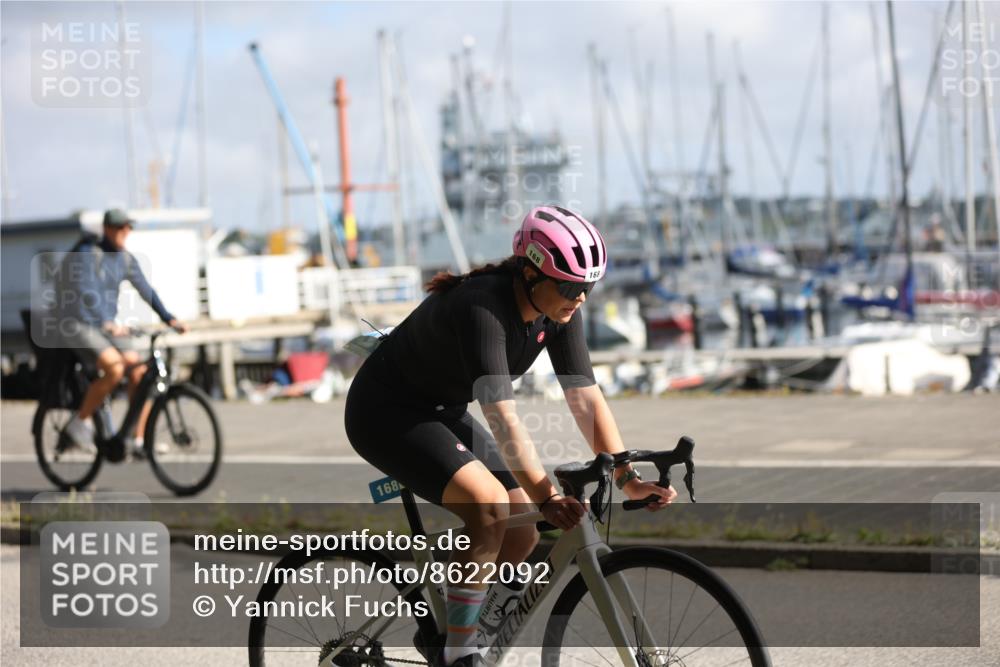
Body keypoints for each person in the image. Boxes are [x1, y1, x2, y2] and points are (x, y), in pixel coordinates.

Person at [344, 205, 677, 667]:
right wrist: (547, 495)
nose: (580, 298)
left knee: (520, 531)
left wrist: (627, 477)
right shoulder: (482, 308)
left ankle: (458, 625)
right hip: (384, 413)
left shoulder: (559, 312)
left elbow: (585, 399)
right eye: (569, 286)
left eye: (588, 287)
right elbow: (502, 418)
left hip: (441, 410)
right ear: (531, 272)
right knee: (489, 506)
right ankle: (460, 652)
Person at [53, 208, 189, 454]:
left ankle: (137, 440)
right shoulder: (88, 253)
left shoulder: (125, 259)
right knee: (114, 368)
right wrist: (107, 322)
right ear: (107, 229)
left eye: (128, 227)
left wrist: (169, 318)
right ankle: (78, 423)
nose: (126, 231)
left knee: (139, 371)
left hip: (106, 327)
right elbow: (85, 291)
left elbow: (146, 290)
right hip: (79, 324)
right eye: (120, 227)